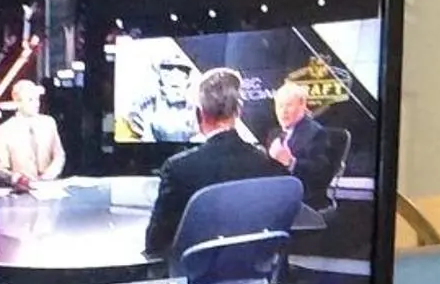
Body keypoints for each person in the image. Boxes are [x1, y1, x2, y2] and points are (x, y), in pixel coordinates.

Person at [144, 65, 276, 257]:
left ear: (200, 114)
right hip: (251, 270)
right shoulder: (265, 164)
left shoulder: (179, 169)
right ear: (239, 111)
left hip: (195, 276)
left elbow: (156, 242)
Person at [267, 73, 347, 212]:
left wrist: (291, 162)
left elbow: (321, 173)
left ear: (302, 104)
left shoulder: (316, 133)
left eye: (288, 105)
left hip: (304, 202)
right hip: (275, 198)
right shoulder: (274, 134)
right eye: (279, 106)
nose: (283, 112)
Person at [0, 77, 66, 189]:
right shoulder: (4, 130)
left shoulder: (48, 123)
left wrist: (51, 173)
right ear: (17, 101)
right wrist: (18, 179)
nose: (36, 104)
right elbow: (0, 170)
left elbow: (59, 155)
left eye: (37, 99)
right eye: (30, 100)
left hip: (49, 187)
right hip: (22, 193)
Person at [122, 55, 199, 151]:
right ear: (161, 80)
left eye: (181, 72)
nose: (174, 77)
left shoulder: (197, 111)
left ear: (187, 81)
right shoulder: (143, 107)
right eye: (168, 73)